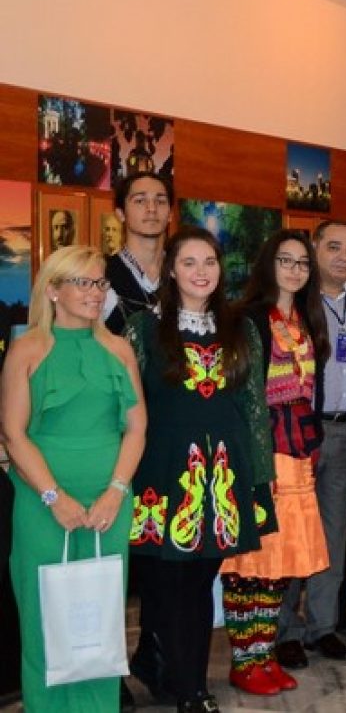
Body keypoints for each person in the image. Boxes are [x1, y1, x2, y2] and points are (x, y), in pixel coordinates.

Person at [125, 226, 274, 713]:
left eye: (209, 261)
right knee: (168, 583)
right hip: (162, 470)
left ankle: (172, 672)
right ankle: (188, 687)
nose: (200, 271)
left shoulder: (241, 328)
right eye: (188, 262)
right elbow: (127, 405)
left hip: (226, 472)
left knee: (198, 580)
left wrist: (261, 476)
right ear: (170, 270)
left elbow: (254, 407)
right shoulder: (143, 328)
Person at [4, 246, 145, 712]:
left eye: (100, 283)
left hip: (110, 501)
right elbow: (13, 434)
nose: (95, 292)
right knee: (45, 619)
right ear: (53, 290)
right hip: (42, 504)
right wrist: (54, 497)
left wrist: (116, 492)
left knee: (99, 621)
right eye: (83, 282)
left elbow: (137, 428)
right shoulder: (26, 349)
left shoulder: (119, 349)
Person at [217, 231, 331, 697]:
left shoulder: (307, 317)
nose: (295, 270)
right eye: (286, 260)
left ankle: (264, 654)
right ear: (268, 264)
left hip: (298, 445)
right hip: (262, 447)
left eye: (302, 263)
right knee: (252, 558)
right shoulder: (247, 318)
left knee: (281, 559)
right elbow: (238, 391)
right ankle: (244, 659)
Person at [277, 221, 346, 669]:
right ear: (314, 248)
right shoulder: (296, 299)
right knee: (293, 531)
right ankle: (285, 630)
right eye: (333, 247)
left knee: (333, 532)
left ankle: (323, 626)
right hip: (301, 429)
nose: (343, 257)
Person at [104, 171, 171, 333]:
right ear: (121, 214)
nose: (152, 208)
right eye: (140, 201)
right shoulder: (101, 274)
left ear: (170, 214)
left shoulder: (185, 274)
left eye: (160, 201)